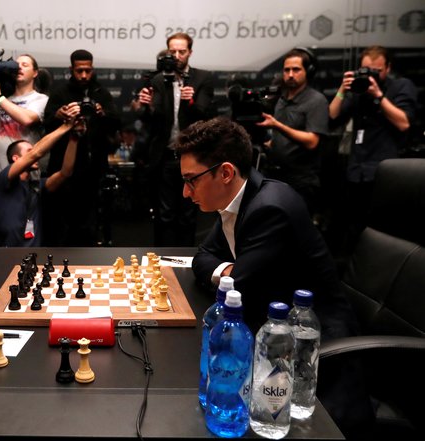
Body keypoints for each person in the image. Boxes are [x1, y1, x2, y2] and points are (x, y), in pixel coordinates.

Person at [175, 116, 374, 437]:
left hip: (312, 356)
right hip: (268, 330)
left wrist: (231, 277)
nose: (186, 192)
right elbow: (204, 258)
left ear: (225, 172)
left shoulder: (270, 209)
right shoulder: (238, 200)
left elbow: (238, 290)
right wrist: (228, 272)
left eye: (191, 180)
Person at [329, 45, 418, 252]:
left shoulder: (401, 86)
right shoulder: (359, 91)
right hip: (356, 171)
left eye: (376, 71)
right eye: (366, 70)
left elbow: (403, 122)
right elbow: (332, 115)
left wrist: (378, 96)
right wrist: (343, 90)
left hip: (386, 172)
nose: (371, 76)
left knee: (384, 230)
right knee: (356, 229)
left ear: (388, 68)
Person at [136, 33, 215, 246]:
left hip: (193, 155)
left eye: (182, 51)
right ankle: (161, 262)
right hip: (165, 155)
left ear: (190, 52)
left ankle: (188, 262)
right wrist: (146, 105)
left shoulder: (203, 78)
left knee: (188, 213)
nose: (177, 56)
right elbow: (151, 121)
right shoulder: (158, 79)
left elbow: (207, 115)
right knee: (164, 213)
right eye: (173, 51)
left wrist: (192, 101)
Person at [43, 49, 121, 246]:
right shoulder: (60, 93)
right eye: (79, 71)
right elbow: (46, 125)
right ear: (71, 69)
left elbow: (117, 123)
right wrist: (60, 115)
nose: (84, 75)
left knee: (92, 223)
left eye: (88, 70)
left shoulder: (101, 93)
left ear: (92, 69)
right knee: (62, 222)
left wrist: (102, 114)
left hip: (95, 168)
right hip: (64, 168)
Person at [0, 53, 49, 256]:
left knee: (19, 227)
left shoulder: (41, 100)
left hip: (24, 175)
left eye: (25, 64)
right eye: (17, 64)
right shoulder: (3, 98)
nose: (19, 67)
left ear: (35, 72)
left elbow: (26, 119)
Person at [256, 48, 329, 215]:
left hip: (301, 182)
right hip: (275, 176)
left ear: (308, 71)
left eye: (296, 69)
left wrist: (278, 126)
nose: (290, 74)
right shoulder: (281, 100)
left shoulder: (316, 101)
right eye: (286, 70)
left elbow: (312, 141)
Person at [0, 117, 83, 247]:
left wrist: (74, 139)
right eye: (29, 151)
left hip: (34, 255)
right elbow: (36, 153)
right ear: (16, 158)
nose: (35, 155)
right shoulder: (4, 179)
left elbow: (65, 172)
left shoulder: (36, 186)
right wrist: (66, 126)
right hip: (9, 253)